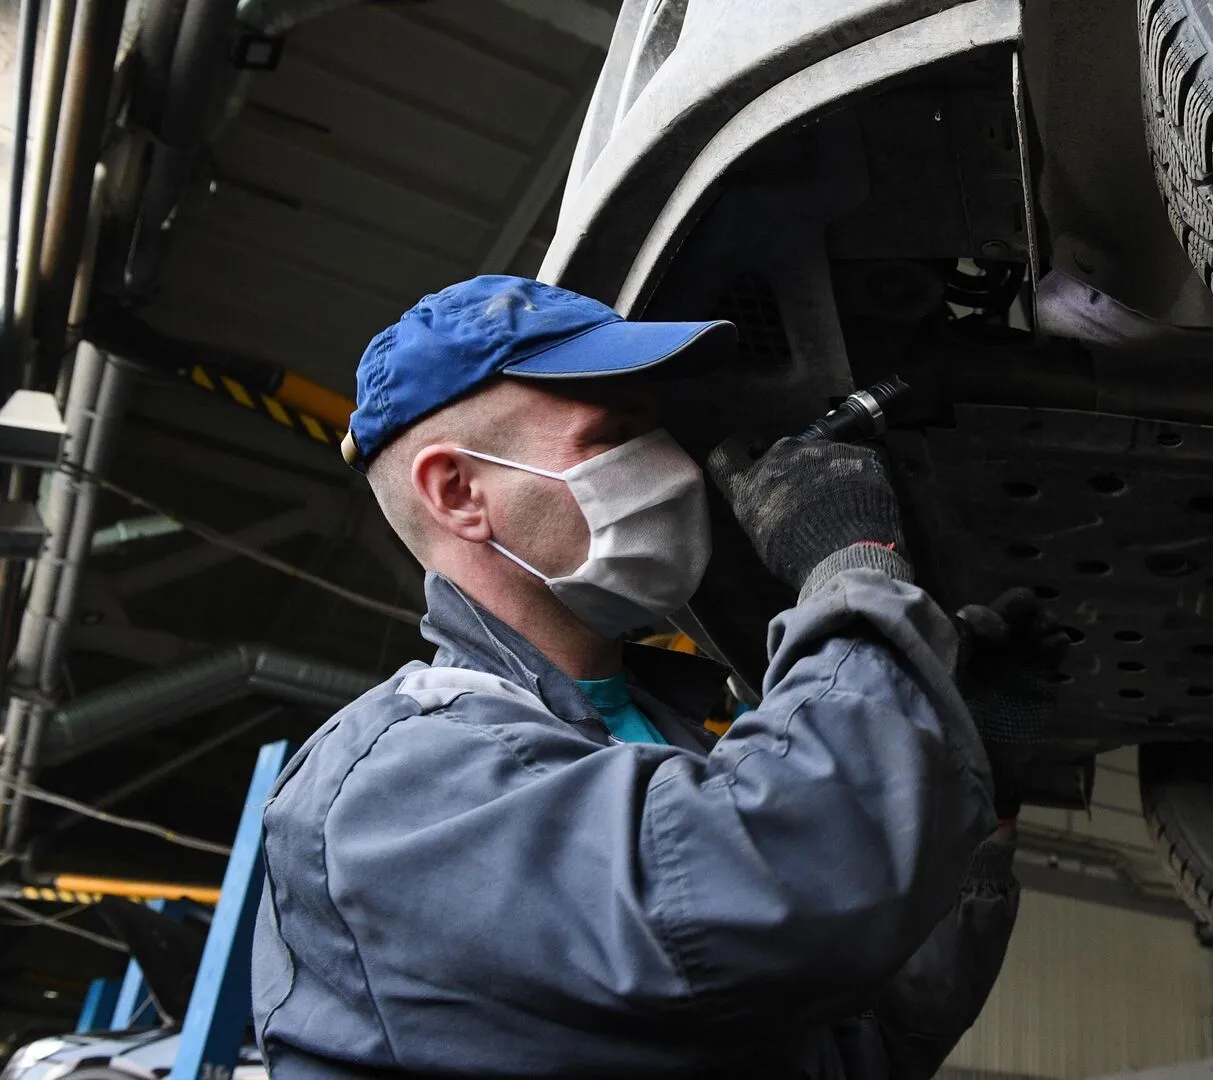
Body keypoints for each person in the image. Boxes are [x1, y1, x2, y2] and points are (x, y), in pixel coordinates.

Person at [251, 275, 1030, 1079]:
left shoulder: (675, 744)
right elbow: (788, 901)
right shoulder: (395, 784)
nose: (675, 471)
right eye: (612, 436)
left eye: (659, 434)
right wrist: (853, 572)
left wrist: (983, 805)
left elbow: (856, 1048)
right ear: (457, 493)